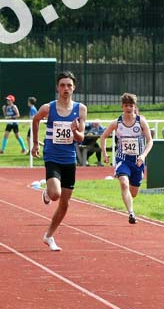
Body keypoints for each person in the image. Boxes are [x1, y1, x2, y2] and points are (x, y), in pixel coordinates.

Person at [31, 71, 87, 251]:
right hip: (52, 156)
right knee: (55, 194)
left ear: (74, 88)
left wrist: (75, 131)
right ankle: (47, 194)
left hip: (69, 159)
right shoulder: (49, 108)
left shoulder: (81, 109)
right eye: (62, 85)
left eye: (69, 85)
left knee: (65, 203)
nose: (66, 89)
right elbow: (36, 119)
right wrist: (35, 144)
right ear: (57, 87)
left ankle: (49, 236)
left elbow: (81, 138)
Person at [98, 93, 154, 224]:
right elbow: (103, 136)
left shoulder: (141, 121)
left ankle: (129, 197)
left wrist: (143, 155)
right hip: (122, 159)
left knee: (133, 192)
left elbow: (150, 141)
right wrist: (105, 153)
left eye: (131, 105)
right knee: (124, 183)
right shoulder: (117, 122)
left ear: (135, 107)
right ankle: (131, 213)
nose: (128, 108)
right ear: (122, 107)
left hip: (137, 161)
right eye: (126, 105)